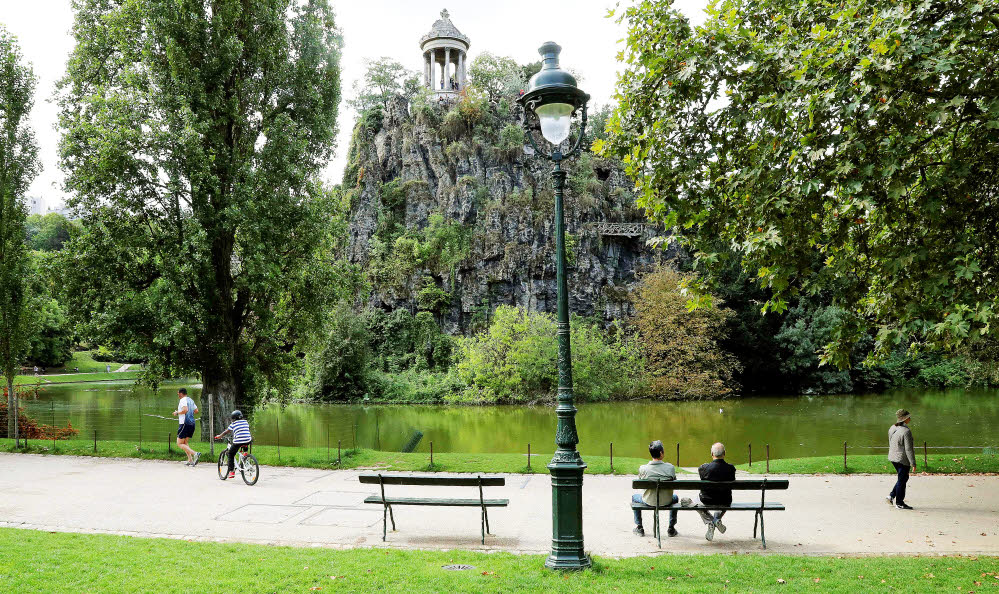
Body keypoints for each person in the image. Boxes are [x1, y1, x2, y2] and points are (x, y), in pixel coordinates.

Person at [631, 440, 687, 537]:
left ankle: (639, 527)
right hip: (667, 500)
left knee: (634, 497)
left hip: (649, 500)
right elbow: (674, 482)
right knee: (675, 498)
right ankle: (671, 528)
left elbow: (640, 482)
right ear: (661, 453)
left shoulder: (643, 468)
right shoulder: (670, 468)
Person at [698, 442, 736, 541]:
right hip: (725, 501)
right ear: (725, 453)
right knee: (724, 499)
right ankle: (716, 520)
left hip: (707, 501)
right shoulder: (731, 469)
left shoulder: (703, 468)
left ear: (712, 454)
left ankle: (711, 521)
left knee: (695, 501)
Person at [887, 408, 916, 509]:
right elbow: (908, 449)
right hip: (902, 459)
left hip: (892, 457)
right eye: (909, 417)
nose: (910, 418)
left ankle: (891, 496)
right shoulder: (906, 431)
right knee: (902, 480)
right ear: (905, 418)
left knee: (903, 478)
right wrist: (913, 463)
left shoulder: (892, 428)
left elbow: (890, 442)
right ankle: (899, 503)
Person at [214, 410, 252, 480]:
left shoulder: (233, 424)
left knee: (230, 454)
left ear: (233, 418)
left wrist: (219, 436)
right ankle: (245, 453)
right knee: (245, 441)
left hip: (238, 441)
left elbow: (226, 431)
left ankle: (231, 471)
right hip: (248, 440)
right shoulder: (245, 422)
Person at [171, 388, 200, 466]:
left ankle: (195, 454)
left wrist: (177, 413)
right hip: (192, 423)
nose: (178, 396)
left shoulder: (183, 400)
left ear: (181, 393)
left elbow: (185, 410)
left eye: (178, 394)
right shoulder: (191, 400)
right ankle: (190, 460)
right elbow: (196, 411)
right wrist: (190, 414)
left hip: (184, 423)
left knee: (179, 443)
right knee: (185, 442)